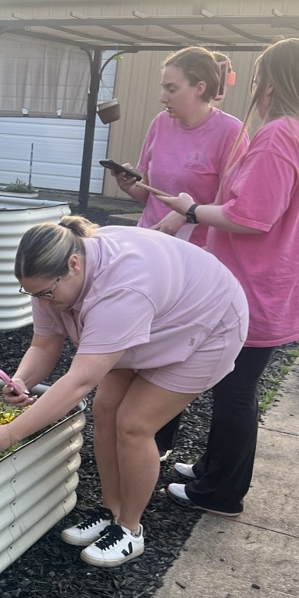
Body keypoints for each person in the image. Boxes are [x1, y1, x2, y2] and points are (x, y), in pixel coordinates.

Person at [0, 217, 248, 568]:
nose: (43, 302)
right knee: (106, 410)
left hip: (207, 324)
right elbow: (44, 345)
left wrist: (11, 432)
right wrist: (21, 380)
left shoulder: (122, 290)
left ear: (73, 264)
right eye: (32, 294)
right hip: (155, 312)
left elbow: (80, 380)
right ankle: (110, 510)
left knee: (133, 424)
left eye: (46, 293)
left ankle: (130, 530)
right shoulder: (51, 280)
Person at [156, 37, 299, 518]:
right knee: (232, 385)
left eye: (258, 78)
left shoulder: (280, 133)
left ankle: (221, 493)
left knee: (236, 392)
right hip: (269, 282)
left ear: (273, 82)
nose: (255, 88)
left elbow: (253, 216)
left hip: (253, 287)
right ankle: (212, 469)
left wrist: (191, 210)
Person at [114, 46, 248, 459]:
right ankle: (136, 431)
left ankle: (157, 439)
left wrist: (187, 218)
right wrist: (128, 184)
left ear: (200, 87)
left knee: (174, 345)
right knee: (142, 336)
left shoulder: (232, 133)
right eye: (163, 87)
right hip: (151, 246)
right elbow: (146, 188)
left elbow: (234, 205)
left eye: (171, 88)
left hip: (195, 261)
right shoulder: (160, 123)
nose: (163, 96)